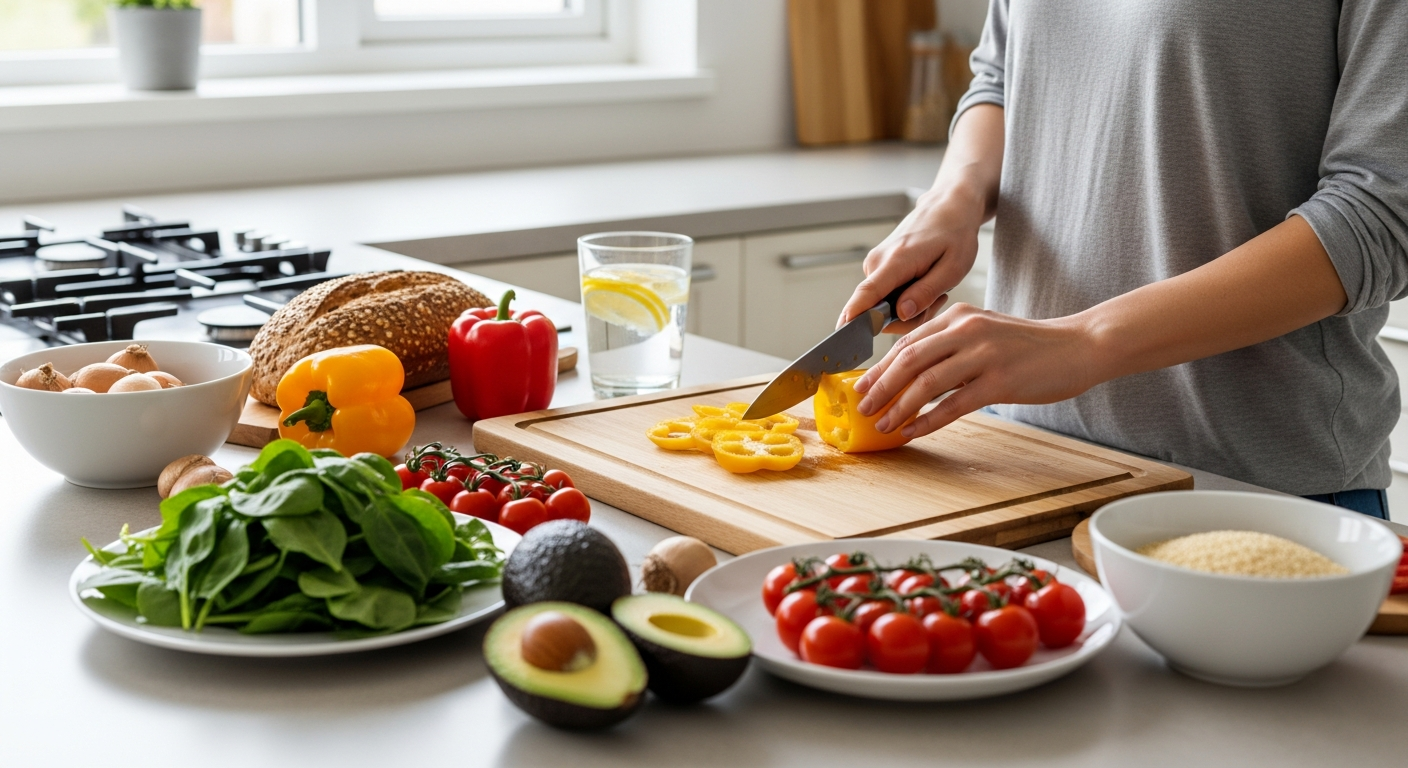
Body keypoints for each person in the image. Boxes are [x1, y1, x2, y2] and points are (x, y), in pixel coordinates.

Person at [838, 1, 1407, 519]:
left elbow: (1382, 211)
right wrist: (955, 197)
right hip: (1019, 464)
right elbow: (1002, 77)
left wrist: (1086, 340)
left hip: (1253, 496)